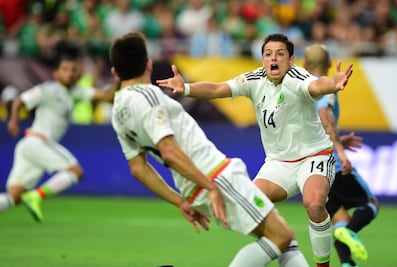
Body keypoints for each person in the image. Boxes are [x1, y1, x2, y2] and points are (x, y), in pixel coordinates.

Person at [110, 32, 309, 267]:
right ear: (149, 64)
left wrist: (180, 201)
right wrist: (210, 185)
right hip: (213, 175)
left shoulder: (118, 111)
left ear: (114, 72)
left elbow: (138, 169)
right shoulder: (149, 95)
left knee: (281, 237)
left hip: (193, 186)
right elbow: (169, 151)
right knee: (282, 237)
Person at [157, 33, 354, 267]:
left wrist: (334, 84)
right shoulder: (253, 80)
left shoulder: (298, 77)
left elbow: (317, 85)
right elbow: (217, 88)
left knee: (313, 204)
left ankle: (323, 264)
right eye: (268, 54)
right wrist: (186, 88)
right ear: (262, 59)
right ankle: (285, 246)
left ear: (291, 60)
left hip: (314, 156)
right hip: (278, 163)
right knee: (249, 207)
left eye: (280, 54)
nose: (274, 59)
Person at [0, 53, 117, 222]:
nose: (69, 73)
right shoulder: (48, 89)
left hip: (31, 146)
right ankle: (36, 196)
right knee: (75, 172)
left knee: (14, 197)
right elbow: (20, 100)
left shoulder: (76, 92)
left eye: (73, 70)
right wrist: (13, 121)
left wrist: (119, 80)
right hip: (38, 141)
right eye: (65, 69)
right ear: (55, 73)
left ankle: (32, 196)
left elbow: (106, 96)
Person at [304, 43, 380, 267]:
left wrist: (338, 141)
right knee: (371, 204)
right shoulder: (325, 89)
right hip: (333, 165)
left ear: (305, 65)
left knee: (340, 221)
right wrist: (339, 150)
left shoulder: (302, 89)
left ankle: (346, 264)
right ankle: (349, 233)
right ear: (329, 63)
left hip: (312, 172)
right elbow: (324, 115)